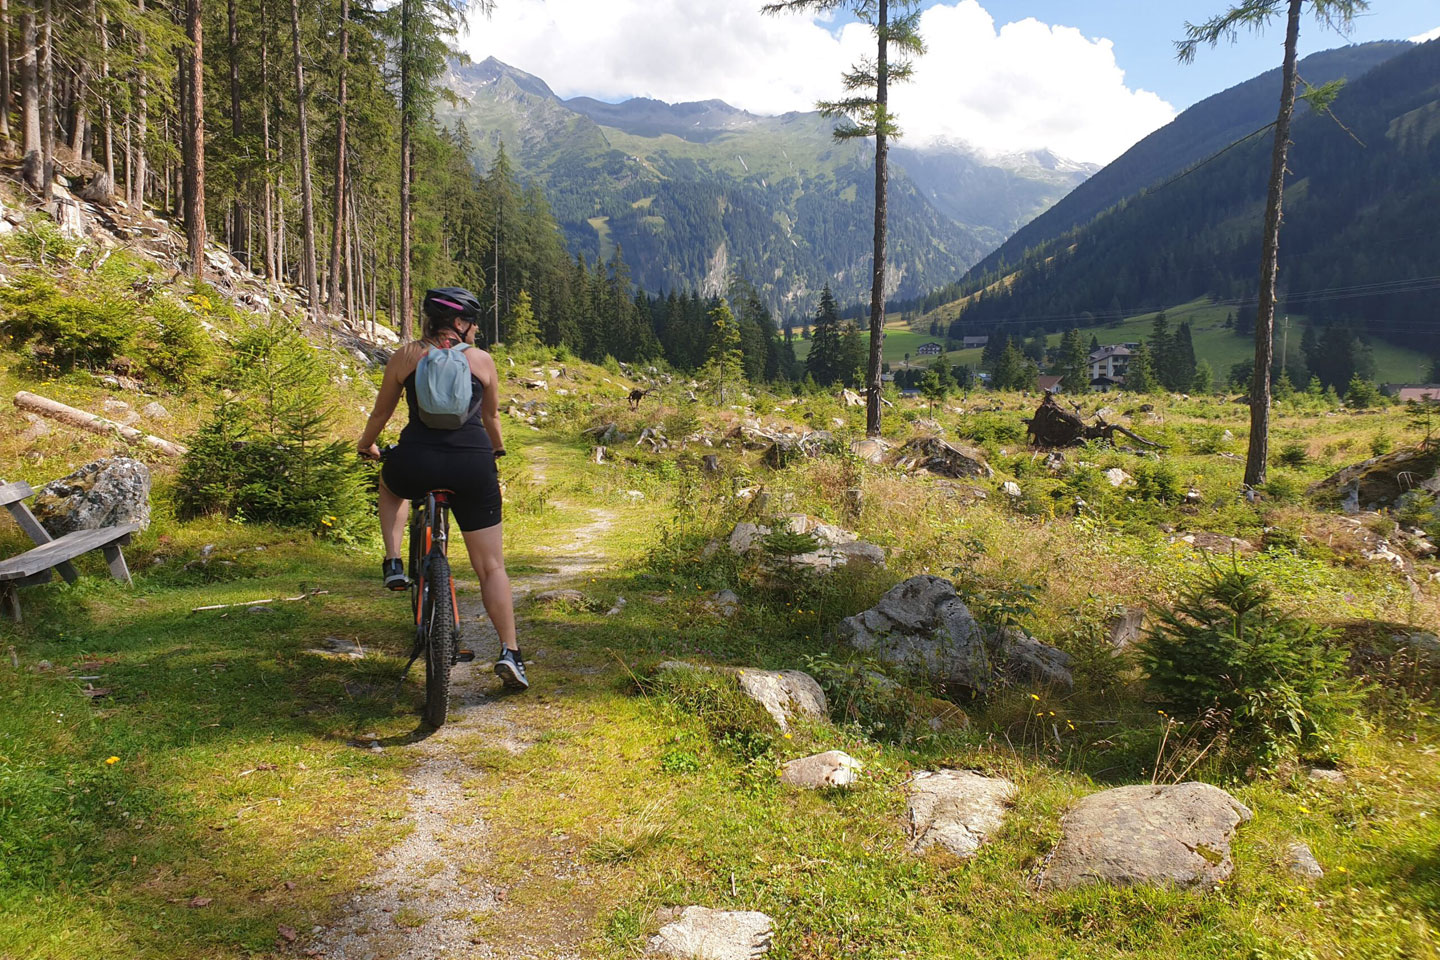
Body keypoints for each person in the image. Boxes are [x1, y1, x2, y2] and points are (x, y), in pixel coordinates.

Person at [356, 287, 527, 690]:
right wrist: (497, 451)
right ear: (460, 324)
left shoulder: (406, 356)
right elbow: (490, 418)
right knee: (492, 567)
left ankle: (394, 561)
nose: (476, 328)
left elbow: (382, 411)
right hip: (471, 465)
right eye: (472, 322)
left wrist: (367, 444)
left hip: (416, 460)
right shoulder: (482, 361)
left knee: (390, 483)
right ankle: (510, 652)